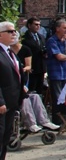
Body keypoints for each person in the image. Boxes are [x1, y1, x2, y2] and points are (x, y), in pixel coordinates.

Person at [0, 21, 26, 160]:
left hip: (12, 101)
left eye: (14, 31)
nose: (14, 33)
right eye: (10, 31)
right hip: (2, 103)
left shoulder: (11, 52)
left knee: (5, 137)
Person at [46, 18, 66, 124]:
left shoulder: (65, 41)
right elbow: (59, 56)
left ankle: (65, 119)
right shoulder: (52, 41)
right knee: (57, 98)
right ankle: (57, 121)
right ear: (57, 29)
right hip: (56, 73)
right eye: (64, 28)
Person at [21, 17, 47, 94]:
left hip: (41, 67)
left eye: (39, 25)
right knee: (31, 89)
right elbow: (23, 53)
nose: (38, 26)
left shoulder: (41, 37)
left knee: (40, 89)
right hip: (32, 67)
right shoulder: (24, 38)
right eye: (36, 24)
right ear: (29, 25)